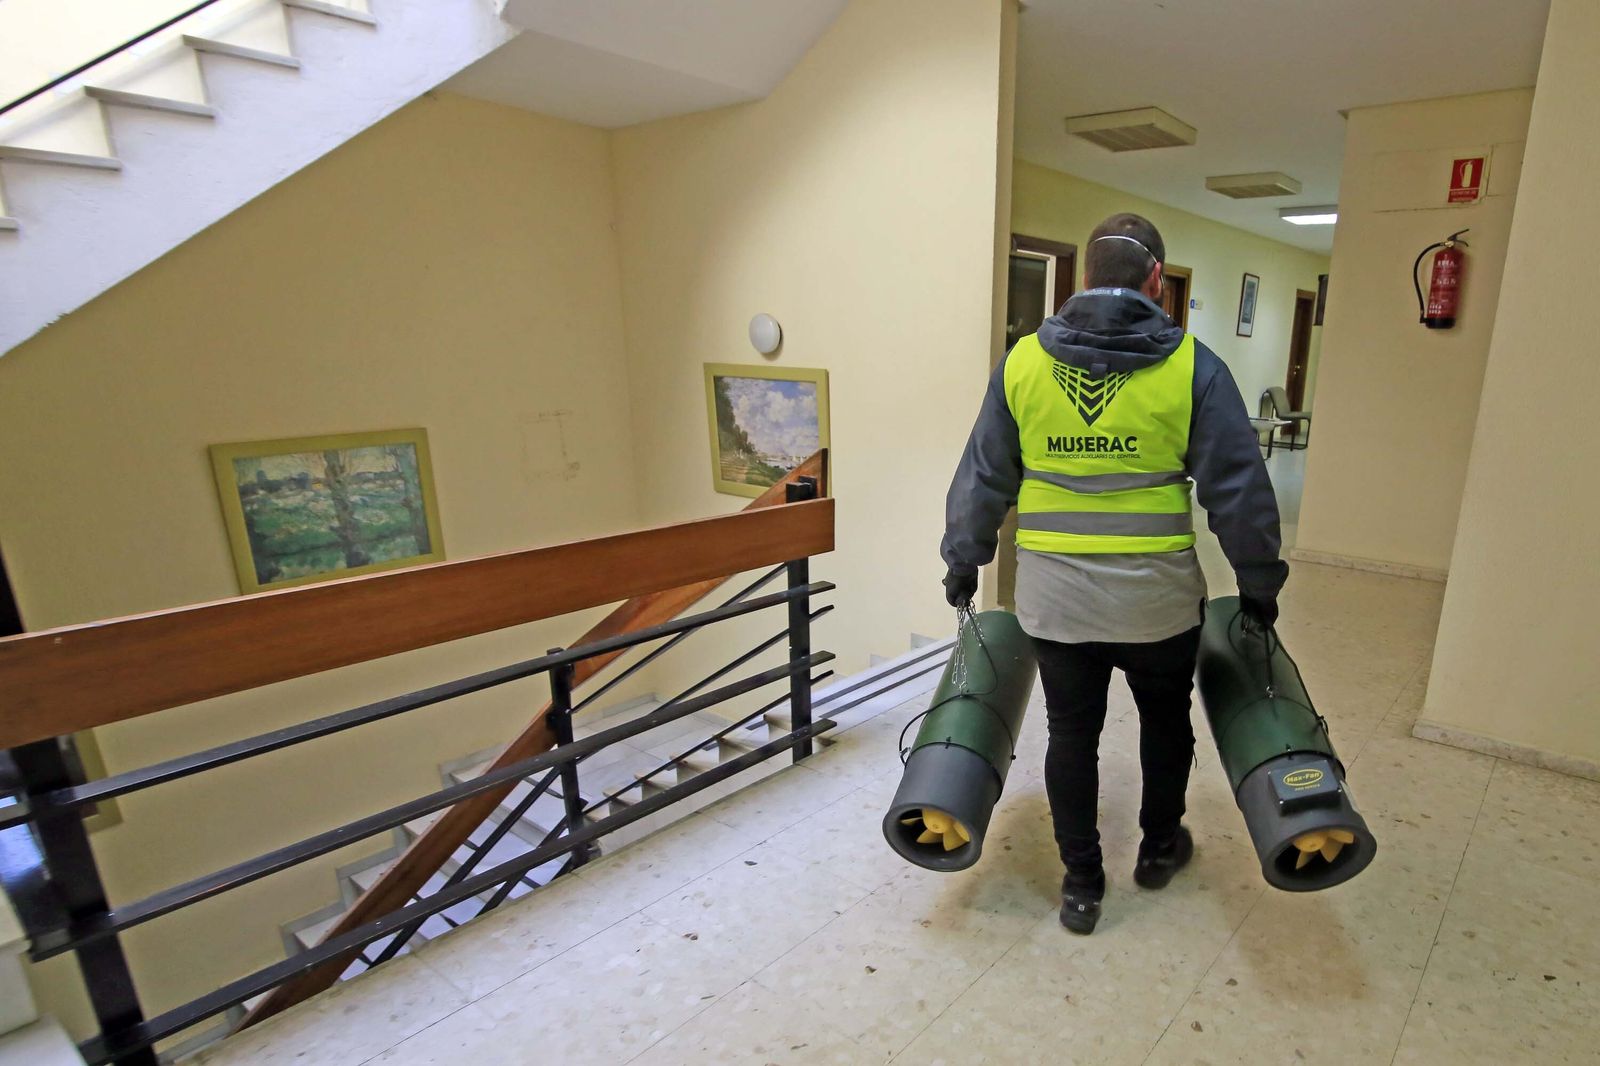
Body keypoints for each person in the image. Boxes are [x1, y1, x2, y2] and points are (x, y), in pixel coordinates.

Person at [940, 213, 1287, 934]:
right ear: (1157, 281)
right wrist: (1259, 585)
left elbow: (982, 478)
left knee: (1072, 734)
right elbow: (1241, 495)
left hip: (1056, 606)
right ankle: (1160, 849)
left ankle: (1081, 884)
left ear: (1084, 278)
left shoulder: (1023, 365)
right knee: (1165, 723)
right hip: (1156, 605)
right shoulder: (1196, 367)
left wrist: (962, 563)